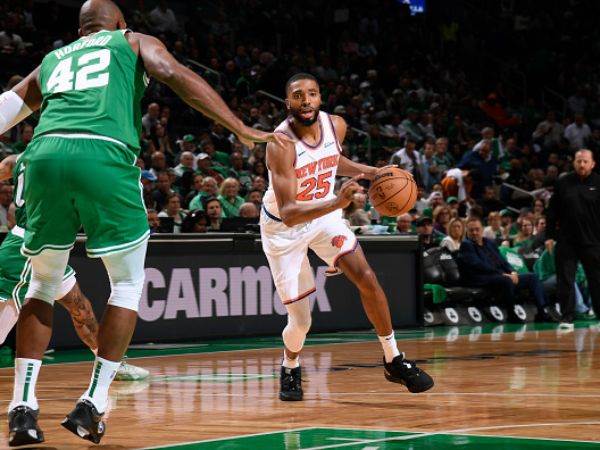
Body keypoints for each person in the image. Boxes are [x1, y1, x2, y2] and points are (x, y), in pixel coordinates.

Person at [0, 0, 285, 444]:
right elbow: (176, 76)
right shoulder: (132, 41)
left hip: (43, 157)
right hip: (103, 154)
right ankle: (92, 404)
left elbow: (5, 110)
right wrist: (241, 128)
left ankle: (22, 409)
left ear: (80, 31)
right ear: (119, 24)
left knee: (41, 285)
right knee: (127, 285)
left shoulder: (52, 59)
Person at [261, 73, 433, 402]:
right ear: (288, 104)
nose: (306, 100)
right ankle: (290, 363)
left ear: (321, 98)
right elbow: (289, 212)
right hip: (285, 229)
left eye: (312, 94)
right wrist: (338, 203)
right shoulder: (279, 145)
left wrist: (367, 171)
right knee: (301, 321)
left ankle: (393, 358)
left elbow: (331, 159)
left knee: (366, 277)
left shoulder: (335, 125)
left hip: (324, 215)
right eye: (298, 95)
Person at [0, 155, 148, 382]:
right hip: (26, 249)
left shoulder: (16, 159)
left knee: (80, 307)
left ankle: (110, 364)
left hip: (48, 248)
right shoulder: (67, 158)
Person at [457, 218, 560, 322]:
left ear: (482, 229)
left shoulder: (489, 242)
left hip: (498, 276)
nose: (474, 232)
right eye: (471, 230)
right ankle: (511, 314)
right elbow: (479, 265)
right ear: (467, 231)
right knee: (507, 280)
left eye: (477, 229)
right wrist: (503, 274)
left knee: (532, 277)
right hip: (479, 278)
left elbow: (502, 261)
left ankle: (542, 312)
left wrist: (512, 271)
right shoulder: (466, 245)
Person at [546, 149, 600, 330]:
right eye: (579, 161)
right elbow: (552, 212)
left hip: (593, 241)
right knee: (565, 280)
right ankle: (567, 317)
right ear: (574, 163)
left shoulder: (598, 182)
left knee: (596, 280)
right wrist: (549, 236)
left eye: (585, 161)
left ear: (593, 164)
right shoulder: (563, 182)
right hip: (567, 240)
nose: (582, 164)